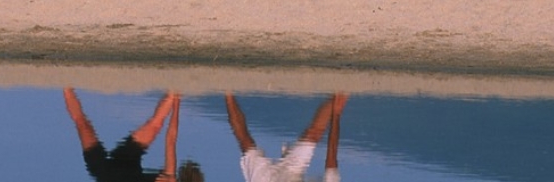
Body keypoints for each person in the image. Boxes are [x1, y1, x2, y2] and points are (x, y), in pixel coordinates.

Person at [64, 88, 204, 182]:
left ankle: (65, 83)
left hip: (105, 174)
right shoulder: (171, 178)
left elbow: (171, 139)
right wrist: (176, 102)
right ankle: (173, 91)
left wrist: (177, 105)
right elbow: (171, 139)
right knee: (155, 125)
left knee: (82, 123)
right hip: (128, 164)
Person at [225, 92, 345, 182]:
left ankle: (227, 91)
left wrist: (336, 114)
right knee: (313, 135)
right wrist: (336, 114)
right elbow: (331, 159)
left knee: (246, 143)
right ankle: (342, 90)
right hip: (292, 174)